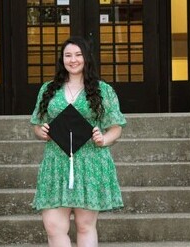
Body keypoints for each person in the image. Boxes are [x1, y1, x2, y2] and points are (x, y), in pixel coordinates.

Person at [30, 36, 126, 247]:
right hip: (56, 162)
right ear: (62, 59)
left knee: (84, 225)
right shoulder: (48, 90)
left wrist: (104, 139)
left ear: (86, 58)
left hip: (90, 161)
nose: (73, 60)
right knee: (53, 227)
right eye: (68, 55)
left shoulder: (103, 90)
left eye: (78, 55)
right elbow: (37, 124)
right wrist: (42, 131)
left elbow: (116, 127)